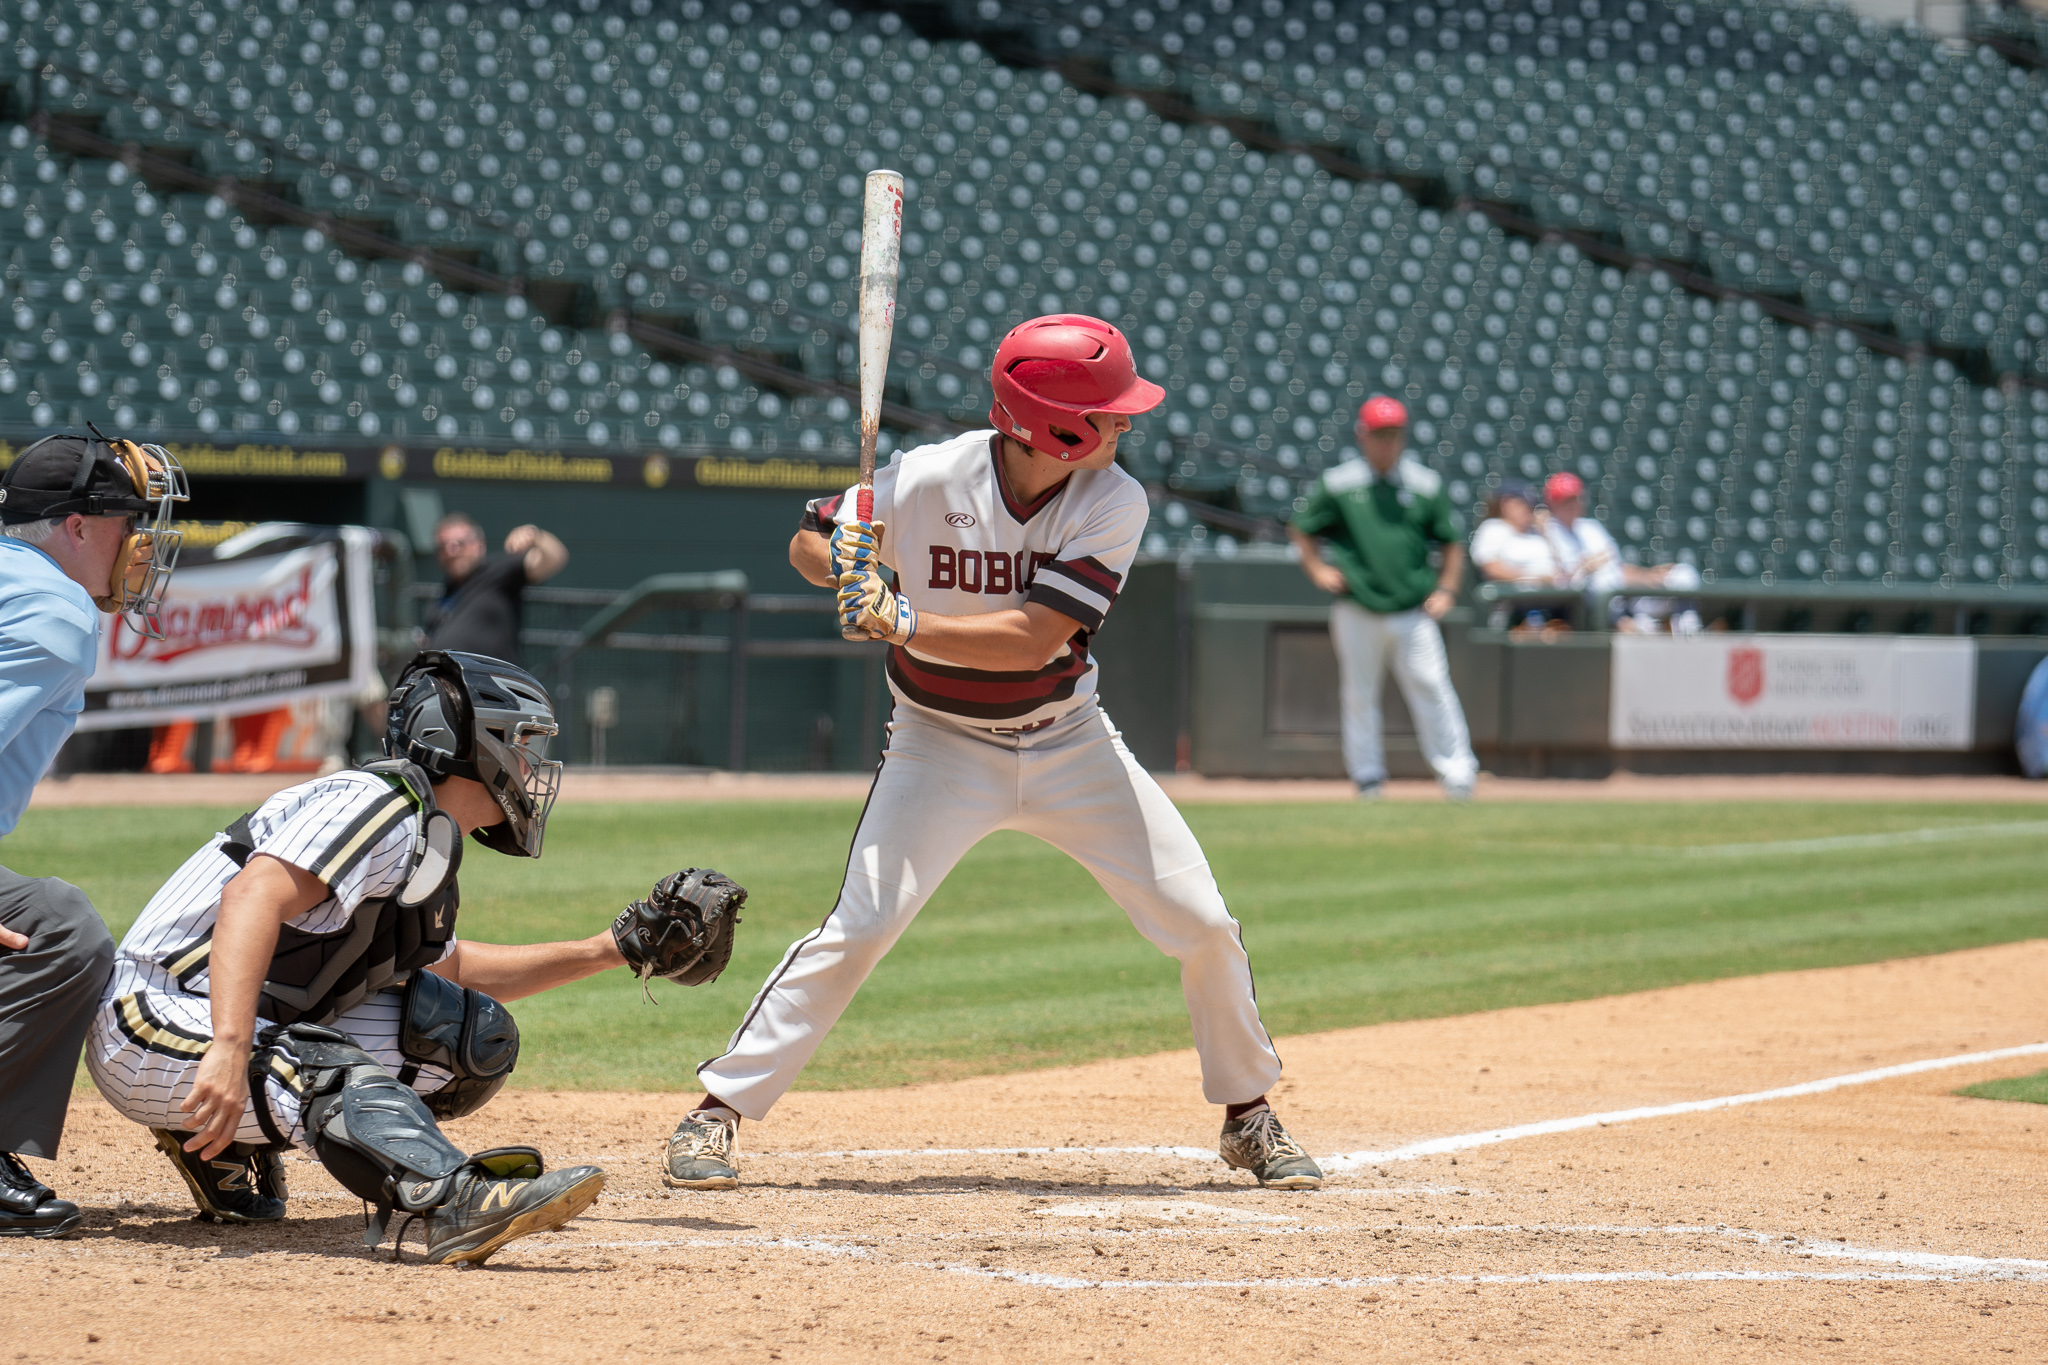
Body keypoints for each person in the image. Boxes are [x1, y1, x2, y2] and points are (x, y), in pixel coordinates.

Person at [662, 315, 1322, 1194]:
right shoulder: (931, 474)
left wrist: (901, 618)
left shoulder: (1112, 500)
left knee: (1201, 922)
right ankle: (714, 1115)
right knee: (858, 927)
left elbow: (1034, 639)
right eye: (1111, 412)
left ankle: (1248, 1116)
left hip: (1068, 742)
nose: (1125, 425)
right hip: (939, 746)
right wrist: (845, 556)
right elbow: (807, 542)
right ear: (1052, 422)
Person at [83, 652, 729, 1265]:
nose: (534, 768)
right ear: (477, 744)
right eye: (524, 744)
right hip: (151, 1014)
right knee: (322, 1068)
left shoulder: (428, 834)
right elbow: (251, 895)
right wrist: (228, 1044)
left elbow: (451, 970)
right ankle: (450, 1197)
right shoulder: (382, 805)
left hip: (212, 1013)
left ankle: (226, 1141)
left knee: (466, 1038)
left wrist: (611, 949)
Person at [0, 433, 188, 1237]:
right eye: (123, 519)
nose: (139, 542)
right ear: (76, 526)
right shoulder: (55, 609)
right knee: (60, 927)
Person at [1286, 396, 1480, 802]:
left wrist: (1447, 589)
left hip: (1414, 609)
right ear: (1362, 436)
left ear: (1404, 438)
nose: (1386, 444)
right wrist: (1318, 569)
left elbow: (1451, 544)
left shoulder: (1424, 484)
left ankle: (1458, 774)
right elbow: (1302, 528)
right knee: (1359, 694)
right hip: (1358, 606)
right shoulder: (1340, 483)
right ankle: (1368, 777)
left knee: (1433, 686)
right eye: (1379, 435)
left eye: (1393, 435)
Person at [1536, 473, 1701, 633]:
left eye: (1575, 498)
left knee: (1683, 574)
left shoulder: (1590, 527)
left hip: (1624, 596)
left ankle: (1688, 634)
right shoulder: (1548, 530)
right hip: (1587, 604)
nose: (1572, 504)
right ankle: (1625, 624)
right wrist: (1586, 566)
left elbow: (1616, 568)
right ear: (1553, 503)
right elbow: (1564, 579)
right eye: (1565, 500)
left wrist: (1648, 575)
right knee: (1598, 582)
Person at [421, 515, 569, 663]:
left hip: (489, 681)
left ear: (480, 544)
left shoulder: (498, 571)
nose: (451, 551)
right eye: (443, 546)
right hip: (446, 681)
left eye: (459, 543)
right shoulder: (443, 593)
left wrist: (534, 536)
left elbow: (555, 558)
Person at [1470, 480, 1565, 586]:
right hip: (1514, 597)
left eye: (1531, 506)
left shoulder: (1538, 531)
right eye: (1524, 504)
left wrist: (1545, 532)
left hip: (1554, 594)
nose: (1529, 510)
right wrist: (1534, 579)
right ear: (1505, 504)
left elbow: (1561, 568)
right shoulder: (1494, 528)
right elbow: (1491, 568)